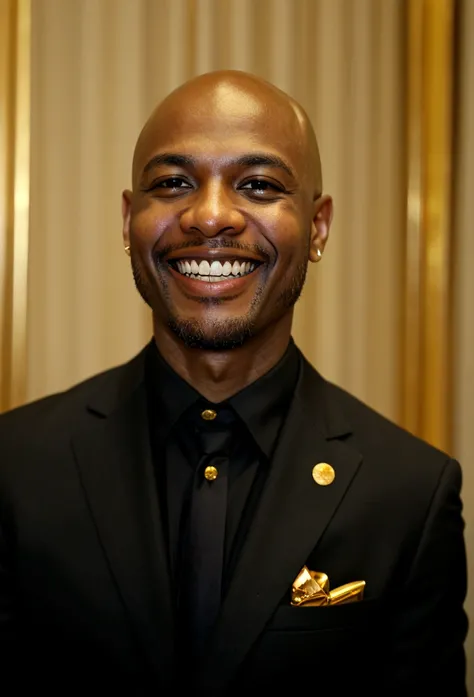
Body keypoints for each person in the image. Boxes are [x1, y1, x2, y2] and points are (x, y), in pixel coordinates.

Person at [0, 70, 468, 695]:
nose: (210, 215)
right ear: (128, 219)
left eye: (258, 185)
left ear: (319, 227)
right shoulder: (15, 467)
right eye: (172, 183)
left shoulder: (409, 494)